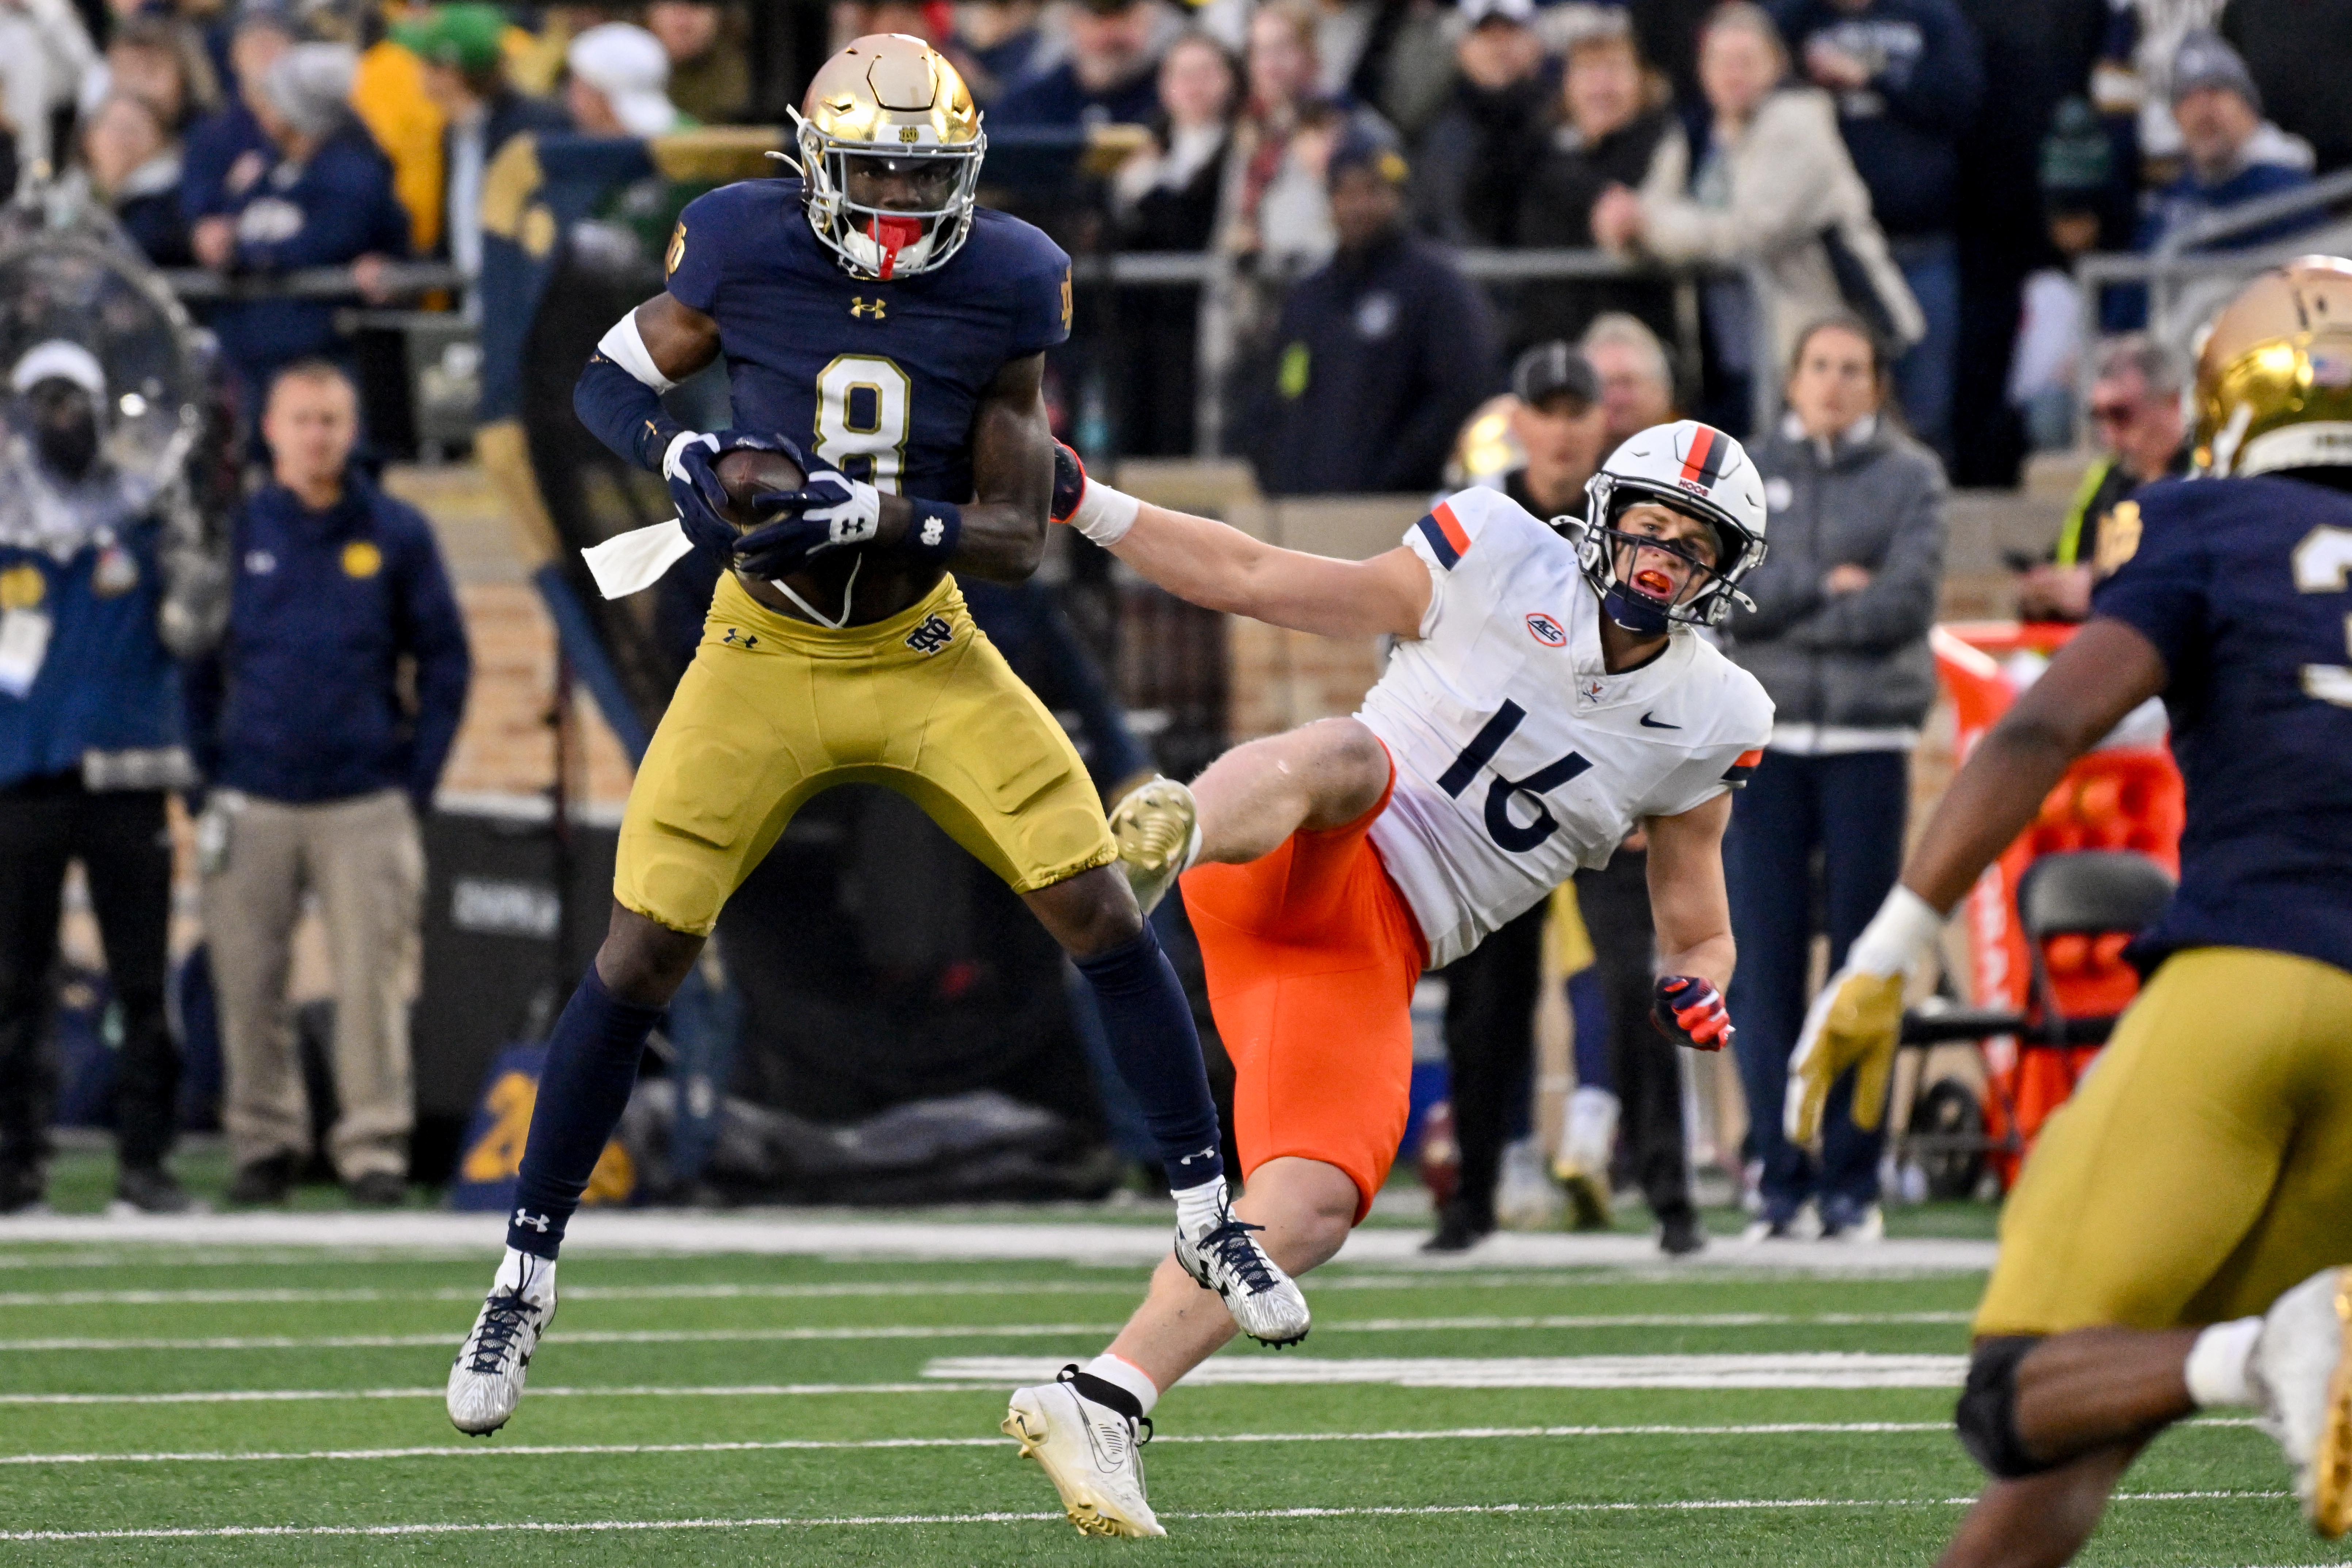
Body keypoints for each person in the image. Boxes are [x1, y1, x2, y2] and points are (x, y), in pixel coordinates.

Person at [446, 35, 1302, 1439]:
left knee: (1093, 896)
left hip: (924, 647)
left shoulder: (1012, 276)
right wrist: (675, 455)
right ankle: (524, 1268)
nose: (900, 208)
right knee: (643, 945)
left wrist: (884, 516)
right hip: (758, 649)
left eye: (924, 177)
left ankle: (1208, 1212)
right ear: (814, 166)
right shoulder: (737, 240)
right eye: (875, 176)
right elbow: (606, 381)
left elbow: (1021, 538)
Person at [1009, 416, 1772, 1536]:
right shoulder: (1497, 550)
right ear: (1602, 516)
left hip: (1370, 955)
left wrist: (1697, 980)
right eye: (1647, 523)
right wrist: (1087, 502)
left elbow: (1694, 915)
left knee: (1316, 1201)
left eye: (1690, 543)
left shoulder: (1711, 717)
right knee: (1350, 760)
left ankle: (1105, 1398)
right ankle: (1162, 844)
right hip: (1294, 852)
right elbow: (1262, 575)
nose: (1659, 552)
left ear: (1723, 575)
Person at [1787, 255, 2352, 1566]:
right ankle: (2264, 1346)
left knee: (2020, 1392)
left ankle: (2269, 1346)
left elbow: (2044, 719)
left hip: (2254, 987)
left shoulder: (2206, 518)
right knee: (2102, 1415)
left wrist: (1886, 949)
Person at [186, 361, 468, 1209]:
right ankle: (264, 1144)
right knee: (246, 982)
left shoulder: (396, 530)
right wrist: (205, 778)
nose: (319, 436)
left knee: (372, 984)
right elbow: (195, 664)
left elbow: (446, 659)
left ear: (354, 430)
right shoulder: (236, 531)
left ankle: (373, 1147)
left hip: (364, 799)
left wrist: (414, 781)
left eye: (334, 420)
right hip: (254, 794)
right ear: (270, 430)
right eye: (303, 419)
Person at [1718, 313, 1944, 1240]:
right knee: (1761, 965)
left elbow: (1904, 602)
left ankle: (1853, 1179)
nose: (1836, 383)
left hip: (1867, 742)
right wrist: (1825, 587)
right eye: (1820, 366)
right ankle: (1780, 1172)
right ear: (1791, 377)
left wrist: (1789, 607)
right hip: (1765, 748)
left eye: (1854, 369)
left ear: (1879, 383)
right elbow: (1734, 595)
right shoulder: (1744, 475)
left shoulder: (1912, 477)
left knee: (1864, 959)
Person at [0, 341, 208, 1217]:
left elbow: (195, 631)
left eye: (75, 399)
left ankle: (145, 1165)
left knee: (138, 980)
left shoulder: (149, 507)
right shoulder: (8, 518)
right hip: (23, 774)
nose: (62, 417)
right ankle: (15, 1168)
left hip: (127, 772)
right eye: (45, 400)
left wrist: (195, 560)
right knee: (13, 981)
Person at [1421, 341, 1612, 1255]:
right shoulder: (1483, 514)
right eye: (1551, 408)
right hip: (1495, 783)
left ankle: (1667, 1194)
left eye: (1581, 409)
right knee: (1484, 996)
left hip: (1604, 778)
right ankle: (1475, 1194)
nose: (1566, 428)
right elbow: (1424, 624)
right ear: (1523, 419)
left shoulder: (1628, 523)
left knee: (1626, 978)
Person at [1593, 2, 1920, 432]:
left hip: (1823, 350)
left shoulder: (1800, 123)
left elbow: (1752, 231)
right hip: (1725, 355)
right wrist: (1624, 230)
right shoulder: (1695, 133)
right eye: (1720, 62)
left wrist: (1647, 225)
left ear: (1776, 66)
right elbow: (1643, 221)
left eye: (1746, 61)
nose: (1733, 74)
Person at [1767, 0, 1984, 462]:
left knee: (1924, 407)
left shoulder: (1930, 17)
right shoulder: (1793, 18)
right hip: (1825, 257)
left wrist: (1869, 77)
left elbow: (1962, 99)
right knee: (1818, 407)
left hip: (1919, 244)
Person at [1249, 122, 1499, 495]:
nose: (1358, 206)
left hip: (1401, 510)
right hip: (1307, 511)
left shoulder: (1436, 285)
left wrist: (1397, 474)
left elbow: (1461, 391)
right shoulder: (1311, 296)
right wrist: (1281, 473)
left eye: (1373, 191)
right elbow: (1281, 391)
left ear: (1399, 197)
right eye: (1346, 193)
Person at [191, 43, 411, 417]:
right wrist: (219, 239)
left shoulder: (353, 174)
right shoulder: (266, 166)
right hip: (253, 358)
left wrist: (246, 253)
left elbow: (324, 244)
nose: (264, 108)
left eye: (275, 98)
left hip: (320, 363)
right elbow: (234, 225)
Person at [1515, 14, 1676, 349]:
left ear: (1642, 80)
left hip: (1637, 346)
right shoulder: (1541, 150)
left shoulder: (1664, 145)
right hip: (1549, 342)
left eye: (1615, 70)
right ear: (1566, 85)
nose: (1602, 87)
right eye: (1588, 71)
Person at [1111, 30, 1238, 456]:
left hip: (1207, 317)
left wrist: (1152, 193)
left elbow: (1193, 223)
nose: (1194, 86)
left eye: (1206, 73)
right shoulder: (1140, 150)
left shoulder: (1242, 152)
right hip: (1143, 322)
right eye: (1183, 74)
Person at [394, 4, 569, 304]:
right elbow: (455, 231)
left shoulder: (534, 128)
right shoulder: (453, 132)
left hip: (526, 308)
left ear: (451, 72)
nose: (418, 74)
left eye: (425, 62)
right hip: (472, 304)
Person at [2018, 334, 2187, 623]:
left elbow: (2194, 585)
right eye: (2098, 416)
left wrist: (2099, 591)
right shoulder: (2107, 477)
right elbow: (2066, 557)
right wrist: (2042, 591)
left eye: (2120, 414)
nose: (2108, 434)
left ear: (2171, 403)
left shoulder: (2209, 475)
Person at [1408, 0, 1552, 248]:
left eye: (1511, 32)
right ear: (1462, 48)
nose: (1498, 47)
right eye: (1485, 34)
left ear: (1535, 45)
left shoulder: (1559, 127)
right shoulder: (1437, 134)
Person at [179, 5, 292, 233]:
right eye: (254, 42)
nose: (264, 50)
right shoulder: (210, 133)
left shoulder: (320, 125)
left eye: (274, 41)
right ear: (234, 54)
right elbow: (199, 210)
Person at [989, 0, 1169, 130]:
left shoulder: (1171, 101)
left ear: (1148, 20)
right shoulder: (1030, 105)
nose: (1109, 34)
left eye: (1125, 18)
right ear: (1073, 21)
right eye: (1097, 18)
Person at [80, 93, 192, 266]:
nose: (122, 142)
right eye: (113, 128)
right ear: (89, 139)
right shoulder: (80, 195)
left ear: (162, 140)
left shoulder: (160, 208)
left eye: (132, 130)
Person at [0, 0, 95, 179]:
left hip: (52, 119)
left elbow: (85, 67)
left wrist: (39, 15)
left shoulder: (52, 10)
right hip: (8, 127)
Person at [564, 22, 687, 139]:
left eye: (581, 86)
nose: (573, 99)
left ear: (602, 99)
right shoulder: (689, 133)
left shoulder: (689, 146)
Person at [1582, 310, 1678, 444]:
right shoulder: (1572, 462)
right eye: (1605, 385)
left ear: (1660, 390)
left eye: (1627, 383)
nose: (1616, 398)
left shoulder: (1690, 456)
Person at [645, 0, 749, 124]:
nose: (683, 24)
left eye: (697, 5)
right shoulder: (624, 66)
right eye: (671, 5)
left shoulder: (736, 74)